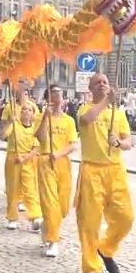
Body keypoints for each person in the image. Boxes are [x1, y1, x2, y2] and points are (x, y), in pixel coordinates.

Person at [76, 74, 134, 273]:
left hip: (115, 170)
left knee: (126, 217)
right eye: (97, 82)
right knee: (89, 223)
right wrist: (105, 102)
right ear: (90, 88)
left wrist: (118, 143)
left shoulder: (118, 113)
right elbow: (87, 120)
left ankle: (106, 248)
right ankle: (91, 268)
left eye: (105, 82)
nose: (102, 84)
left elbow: (129, 141)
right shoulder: (85, 109)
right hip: (92, 171)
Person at [35, 85, 78, 257]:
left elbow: (73, 144)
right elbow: (40, 137)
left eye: (60, 93)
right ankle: (53, 241)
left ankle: (47, 225)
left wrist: (59, 154)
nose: (58, 96)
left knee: (63, 206)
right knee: (51, 203)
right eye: (54, 93)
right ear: (48, 99)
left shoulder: (69, 120)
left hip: (62, 162)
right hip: (46, 161)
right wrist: (46, 117)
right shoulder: (41, 117)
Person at [0, 102, 43, 231]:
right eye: (24, 109)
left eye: (29, 110)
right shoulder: (15, 125)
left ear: (33, 113)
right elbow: (2, 136)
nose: (26, 111)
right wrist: (9, 122)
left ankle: (35, 216)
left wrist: (25, 157)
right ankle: (12, 217)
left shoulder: (34, 128)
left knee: (30, 189)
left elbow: (37, 148)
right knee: (12, 189)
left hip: (28, 160)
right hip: (13, 159)